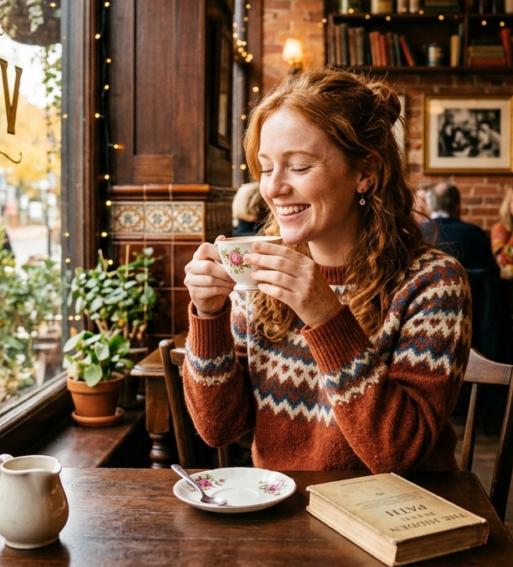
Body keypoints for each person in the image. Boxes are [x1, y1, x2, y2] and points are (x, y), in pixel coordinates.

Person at [181, 68, 469, 473]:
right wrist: (209, 317)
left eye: (298, 167)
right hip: (284, 514)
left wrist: (325, 315)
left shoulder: (433, 284)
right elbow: (219, 429)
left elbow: (398, 453)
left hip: (390, 519)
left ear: (365, 173)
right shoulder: (258, 274)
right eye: (266, 168)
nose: (274, 188)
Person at [420, 181, 499, 273]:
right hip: (470, 287)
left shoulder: (417, 232)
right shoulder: (475, 233)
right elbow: (493, 272)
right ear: (457, 205)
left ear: (429, 206)